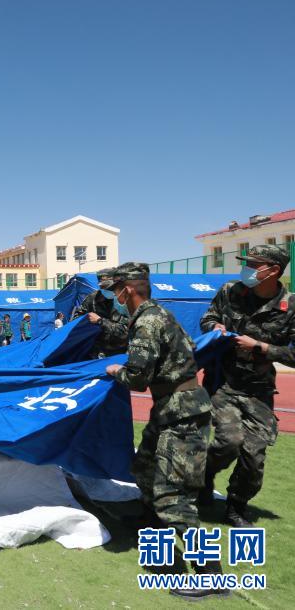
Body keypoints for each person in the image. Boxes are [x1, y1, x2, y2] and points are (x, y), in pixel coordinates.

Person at [103, 263, 223, 600]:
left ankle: (211, 575)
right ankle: (150, 523)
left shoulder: (147, 322)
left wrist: (115, 370)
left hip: (182, 414)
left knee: (173, 495)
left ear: (128, 289)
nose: (114, 297)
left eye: (116, 290)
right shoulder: (158, 314)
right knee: (144, 467)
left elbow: (137, 379)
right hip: (170, 408)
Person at [199, 245, 294, 527]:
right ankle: (204, 475)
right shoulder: (231, 290)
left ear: (273, 270)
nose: (247, 269)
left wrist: (261, 347)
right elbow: (208, 318)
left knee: (254, 456)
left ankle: (236, 507)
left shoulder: (290, 306)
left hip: (258, 389)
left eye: (254, 264)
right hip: (223, 382)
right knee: (228, 442)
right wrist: (214, 326)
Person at [70, 267, 129, 358]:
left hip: (119, 352)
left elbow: (125, 331)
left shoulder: (126, 300)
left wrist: (100, 321)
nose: (106, 289)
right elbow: (76, 322)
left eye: (109, 286)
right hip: (95, 351)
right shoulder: (92, 299)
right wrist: (86, 321)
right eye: (103, 287)